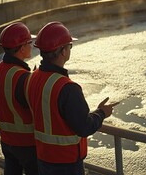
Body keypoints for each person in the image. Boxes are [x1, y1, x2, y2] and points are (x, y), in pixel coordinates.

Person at [25, 21, 119, 175]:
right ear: (63, 51)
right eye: (69, 46)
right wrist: (102, 112)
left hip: (43, 158)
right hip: (66, 163)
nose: (70, 49)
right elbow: (84, 127)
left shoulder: (32, 77)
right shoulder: (67, 88)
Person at [0, 22, 38, 175]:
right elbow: (33, 108)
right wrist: (34, 81)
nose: (32, 45)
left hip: (6, 141)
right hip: (27, 144)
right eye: (29, 42)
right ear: (22, 48)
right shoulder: (22, 77)